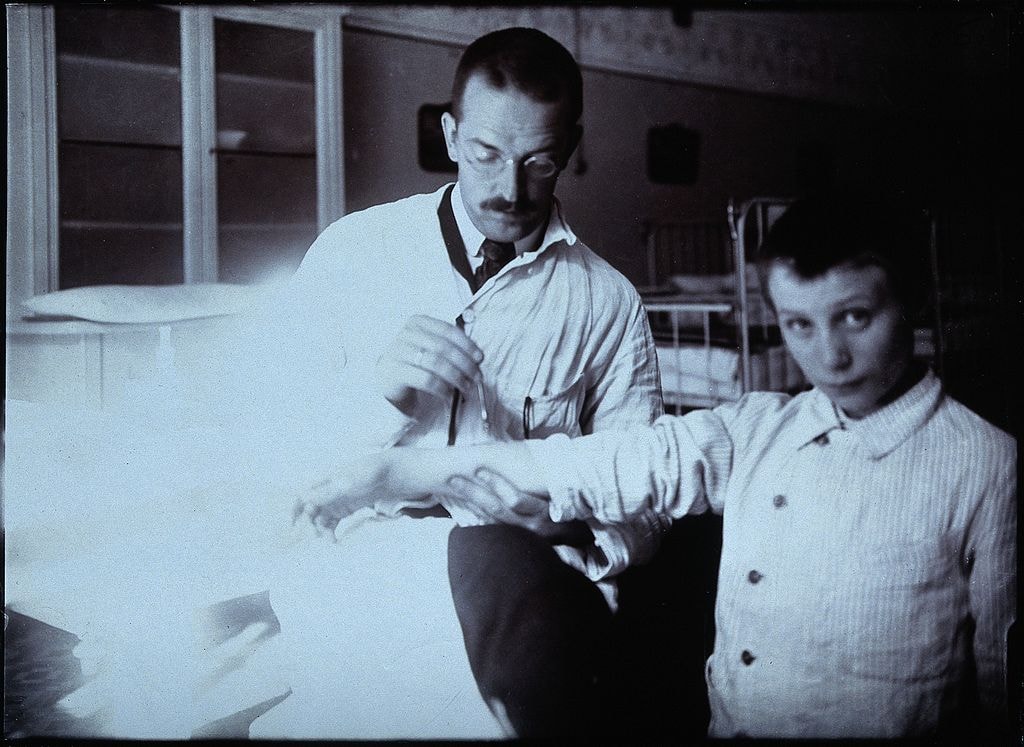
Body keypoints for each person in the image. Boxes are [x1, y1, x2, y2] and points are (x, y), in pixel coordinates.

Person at [301, 192, 1017, 739]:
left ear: (915, 303)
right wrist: (383, 475)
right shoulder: (758, 429)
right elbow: (593, 460)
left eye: (855, 317)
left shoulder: (986, 463)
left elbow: (1001, 688)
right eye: (799, 324)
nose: (828, 355)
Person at [231, 26, 667, 739]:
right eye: (487, 154)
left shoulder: (608, 302)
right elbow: (266, 455)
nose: (509, 188)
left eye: (539, 160)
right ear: (450, 133)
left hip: (522, 611)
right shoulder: (351, 252)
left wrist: (561, 523)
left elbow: (647, 499)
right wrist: (382, 399)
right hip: (355, 597)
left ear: (571, 147)